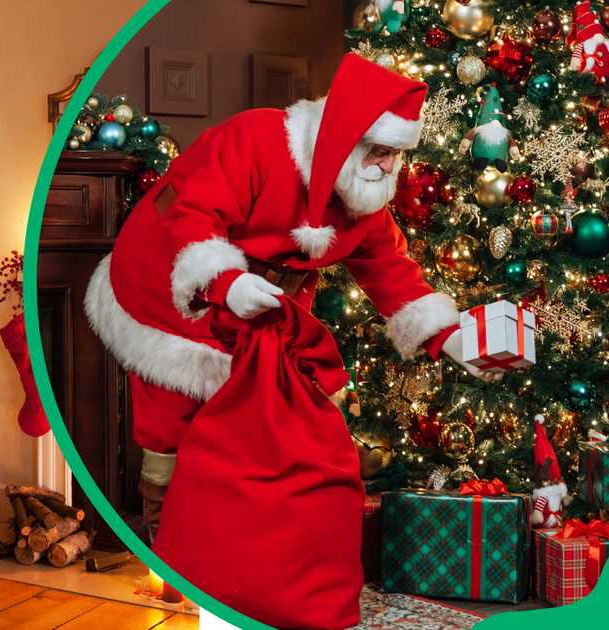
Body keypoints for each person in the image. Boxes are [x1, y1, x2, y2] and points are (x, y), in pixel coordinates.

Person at [83, 53, 500, 627]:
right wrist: (224, 282)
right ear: (341, 137)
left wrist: (447, 337)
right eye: (376, 150)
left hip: (268, 311)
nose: (386, 165)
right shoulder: (256, 139)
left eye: (395, 153)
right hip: (171, 291)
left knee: (279, 431)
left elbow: (389, 269)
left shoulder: (364, 199)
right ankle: (174, 568)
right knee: (170, 427)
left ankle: (253, 570)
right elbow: (193, 213)